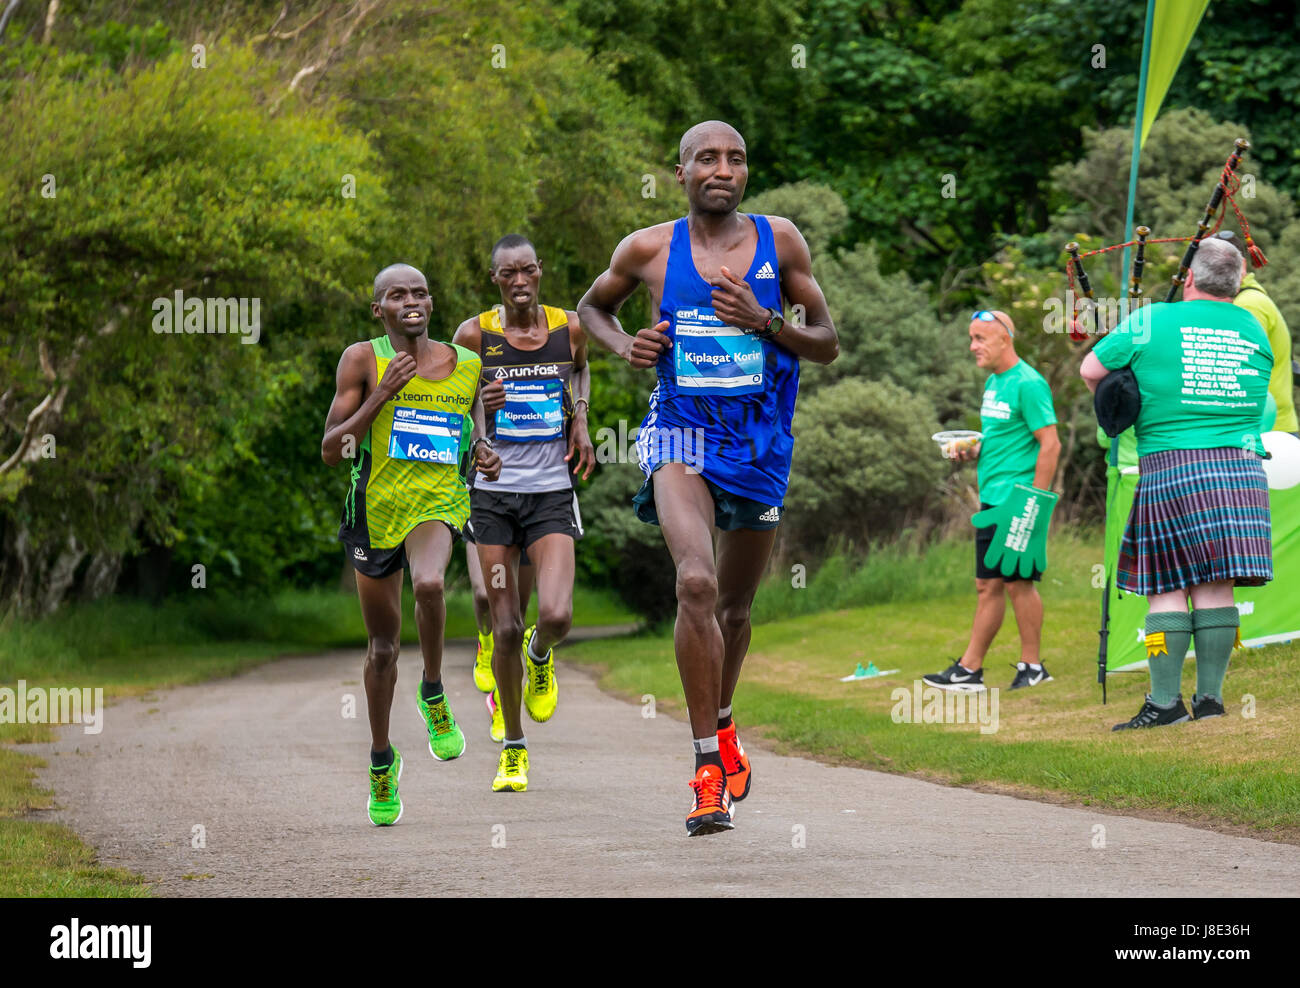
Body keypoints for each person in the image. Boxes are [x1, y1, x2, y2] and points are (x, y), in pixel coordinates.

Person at [577, 121, 838, 835]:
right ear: (682, 170)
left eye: (736, 158)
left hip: (760, 443)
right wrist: (626, 342)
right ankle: (706, 772)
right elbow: (591, 308)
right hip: (680, 434)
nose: (723, 169)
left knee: (735, 610)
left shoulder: (780, 240)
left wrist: (765, 321)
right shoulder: (648, 248)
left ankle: (723, 723)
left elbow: (827, 344)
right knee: (696, 582)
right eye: (707, 159)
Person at [322, 263, 501, 825]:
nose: (411, 301)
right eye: (397, 295)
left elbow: (474, 438)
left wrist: (486, 451)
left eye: (420, 292)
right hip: (374, 513)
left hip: (438, 503)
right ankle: (381, 760)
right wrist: (383, 394)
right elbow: (332, 450)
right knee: (381, 649)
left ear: (431, 301)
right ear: (379, 309)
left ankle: (432, 689)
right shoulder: (362, 360)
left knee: (428, 584)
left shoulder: (467, 364)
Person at [1080, 237, 1274, 729]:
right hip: (1242, 466)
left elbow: (1092, 370)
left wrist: (1126, 394)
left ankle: (1165, 704)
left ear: (1188, 277)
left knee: (1166, 587)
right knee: (1216, 585)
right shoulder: (1254, 327)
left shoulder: (1151, 320)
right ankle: (1210, 701)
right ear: (1235, 283)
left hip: (1173, 464)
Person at [453, 235, 594, 792]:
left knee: (555, 617)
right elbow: (447, 401)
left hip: (550, 493)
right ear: (495, 280)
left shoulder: (568, 328)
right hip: (493, 497)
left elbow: (580, 371)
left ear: (539, 271)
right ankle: (513, 747)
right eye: (507, 273)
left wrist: (579, 415)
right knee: (502, 619)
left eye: (527, 271)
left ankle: (542, 656)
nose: (519, 281)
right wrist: (476, 433)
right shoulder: (475, 335)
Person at [924, 311, 1061, 693]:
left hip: (1019, 501)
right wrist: (973, 450)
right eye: (972, 338)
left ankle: (1032, 666)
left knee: (1018, 583)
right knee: (987, 585)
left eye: (981, 338)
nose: (973, 346)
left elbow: (1050, 444)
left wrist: (1035, 502)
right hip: (993, 500)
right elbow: (1002, 439)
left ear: (1005, 339)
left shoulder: (1029, 383)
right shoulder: (994, 383)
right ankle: (971, 670)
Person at [1215, 231, 1298, 436]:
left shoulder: (1249, 304)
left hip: (1269, 431)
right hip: (1265, 428)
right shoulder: (1246, 300)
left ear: (1241, 266)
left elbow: (1238, 370)